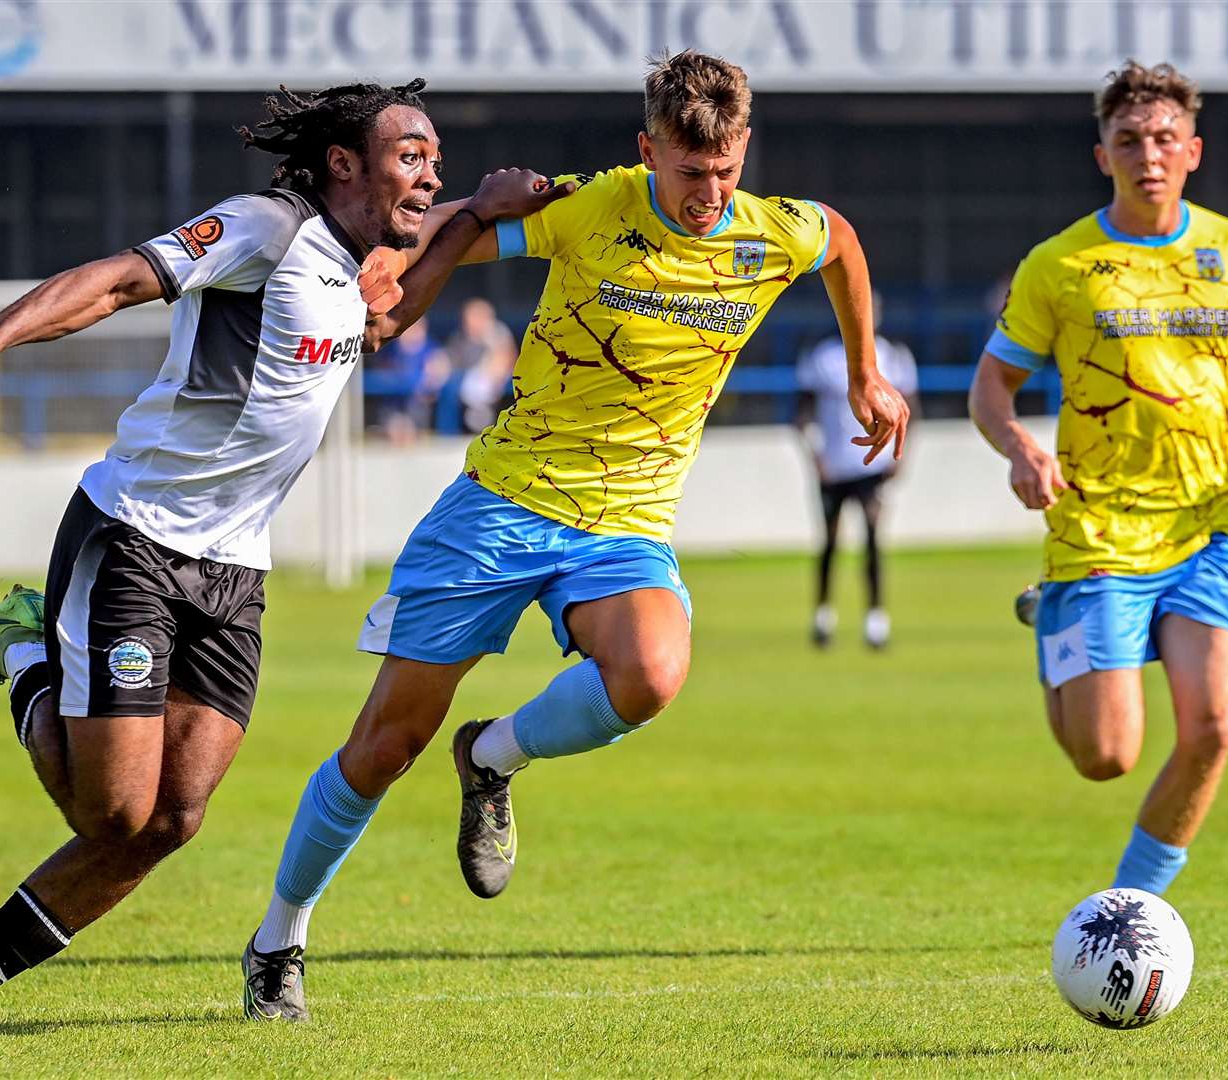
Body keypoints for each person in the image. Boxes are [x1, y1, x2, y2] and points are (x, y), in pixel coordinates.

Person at [0, 80, 564, 1049]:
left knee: (174, 819)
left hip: (234, 571)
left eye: (434, 159)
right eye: (411, 155)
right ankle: (20, 651)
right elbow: (121, 278)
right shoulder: (261, 229)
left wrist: (468, 221)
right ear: (344, 163)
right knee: (114, 812)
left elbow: (381, 324)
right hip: (132, 539)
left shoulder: (352, 262)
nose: (431, 173)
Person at [239, 49, 909, 1023]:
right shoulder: (591, 206)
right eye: (688, 171)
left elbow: (840, 242)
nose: (708, 192)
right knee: (384, 745)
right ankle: (278, 939)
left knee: (650, 675)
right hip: (501, 505)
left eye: (724, 169)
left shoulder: (773, 231)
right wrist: (389, 264)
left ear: (743, 150)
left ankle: (494, 757)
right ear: (647, 151)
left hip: (625, 523)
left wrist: (863, 374)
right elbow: (454, 242)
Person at [969, 61, 1228, 898]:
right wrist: (1018, 446)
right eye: (1127, 140)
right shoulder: (1058, 266)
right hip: (1098, 530)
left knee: (1214, 725)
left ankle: (1134, 903)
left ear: (1193, 150)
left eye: (1164, 138)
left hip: (1210, 524)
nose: (1147, 154)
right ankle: (1053, 615)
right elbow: (991, 386)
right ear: (1102, 156)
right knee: (1105, 756)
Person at [796, 289, 919, 649]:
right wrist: (814, 456)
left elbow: (913, 410)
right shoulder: (822, 357)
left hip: (873, 465)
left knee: (872, 539)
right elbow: (801, 414)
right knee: (830, 541)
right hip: (834, 464)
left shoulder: (893, 356)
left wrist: (902, 456)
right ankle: (823, 616)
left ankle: (875, 620)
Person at [367, 316, 450, 444]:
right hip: (393, 407)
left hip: (419, 406)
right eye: (409, 328)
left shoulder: (432, 349)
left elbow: (441, 372)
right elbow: (382, 376)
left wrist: (429, 383)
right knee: (396, 425)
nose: (412, 332)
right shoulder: (391, 350)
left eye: (417, 328)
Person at [444, 296, 518, 432]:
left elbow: (507, 359)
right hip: (466, 384)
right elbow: (450, 361)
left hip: (498, 382)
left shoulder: (497, 332)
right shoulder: (460, 337)